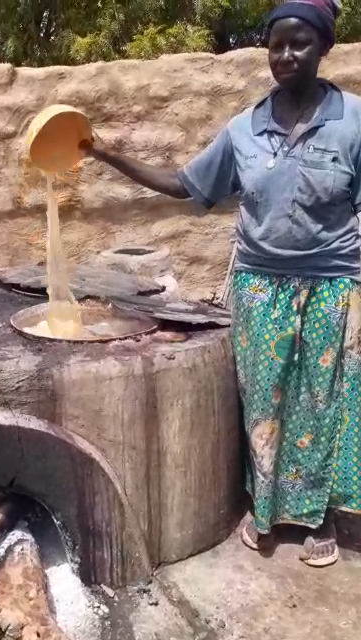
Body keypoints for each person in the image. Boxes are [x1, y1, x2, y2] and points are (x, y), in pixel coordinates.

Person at [83, 0, 360, 567]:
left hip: (332, 283)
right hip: (260, 285)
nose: (286, 55)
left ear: (324, 48)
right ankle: (264, 510)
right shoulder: (243, 130)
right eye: (276, 44)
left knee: (320, 402)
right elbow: (184, 184)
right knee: (262, 400)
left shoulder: (353, 120)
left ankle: (315, 516)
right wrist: (108, 154)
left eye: (300, 44)